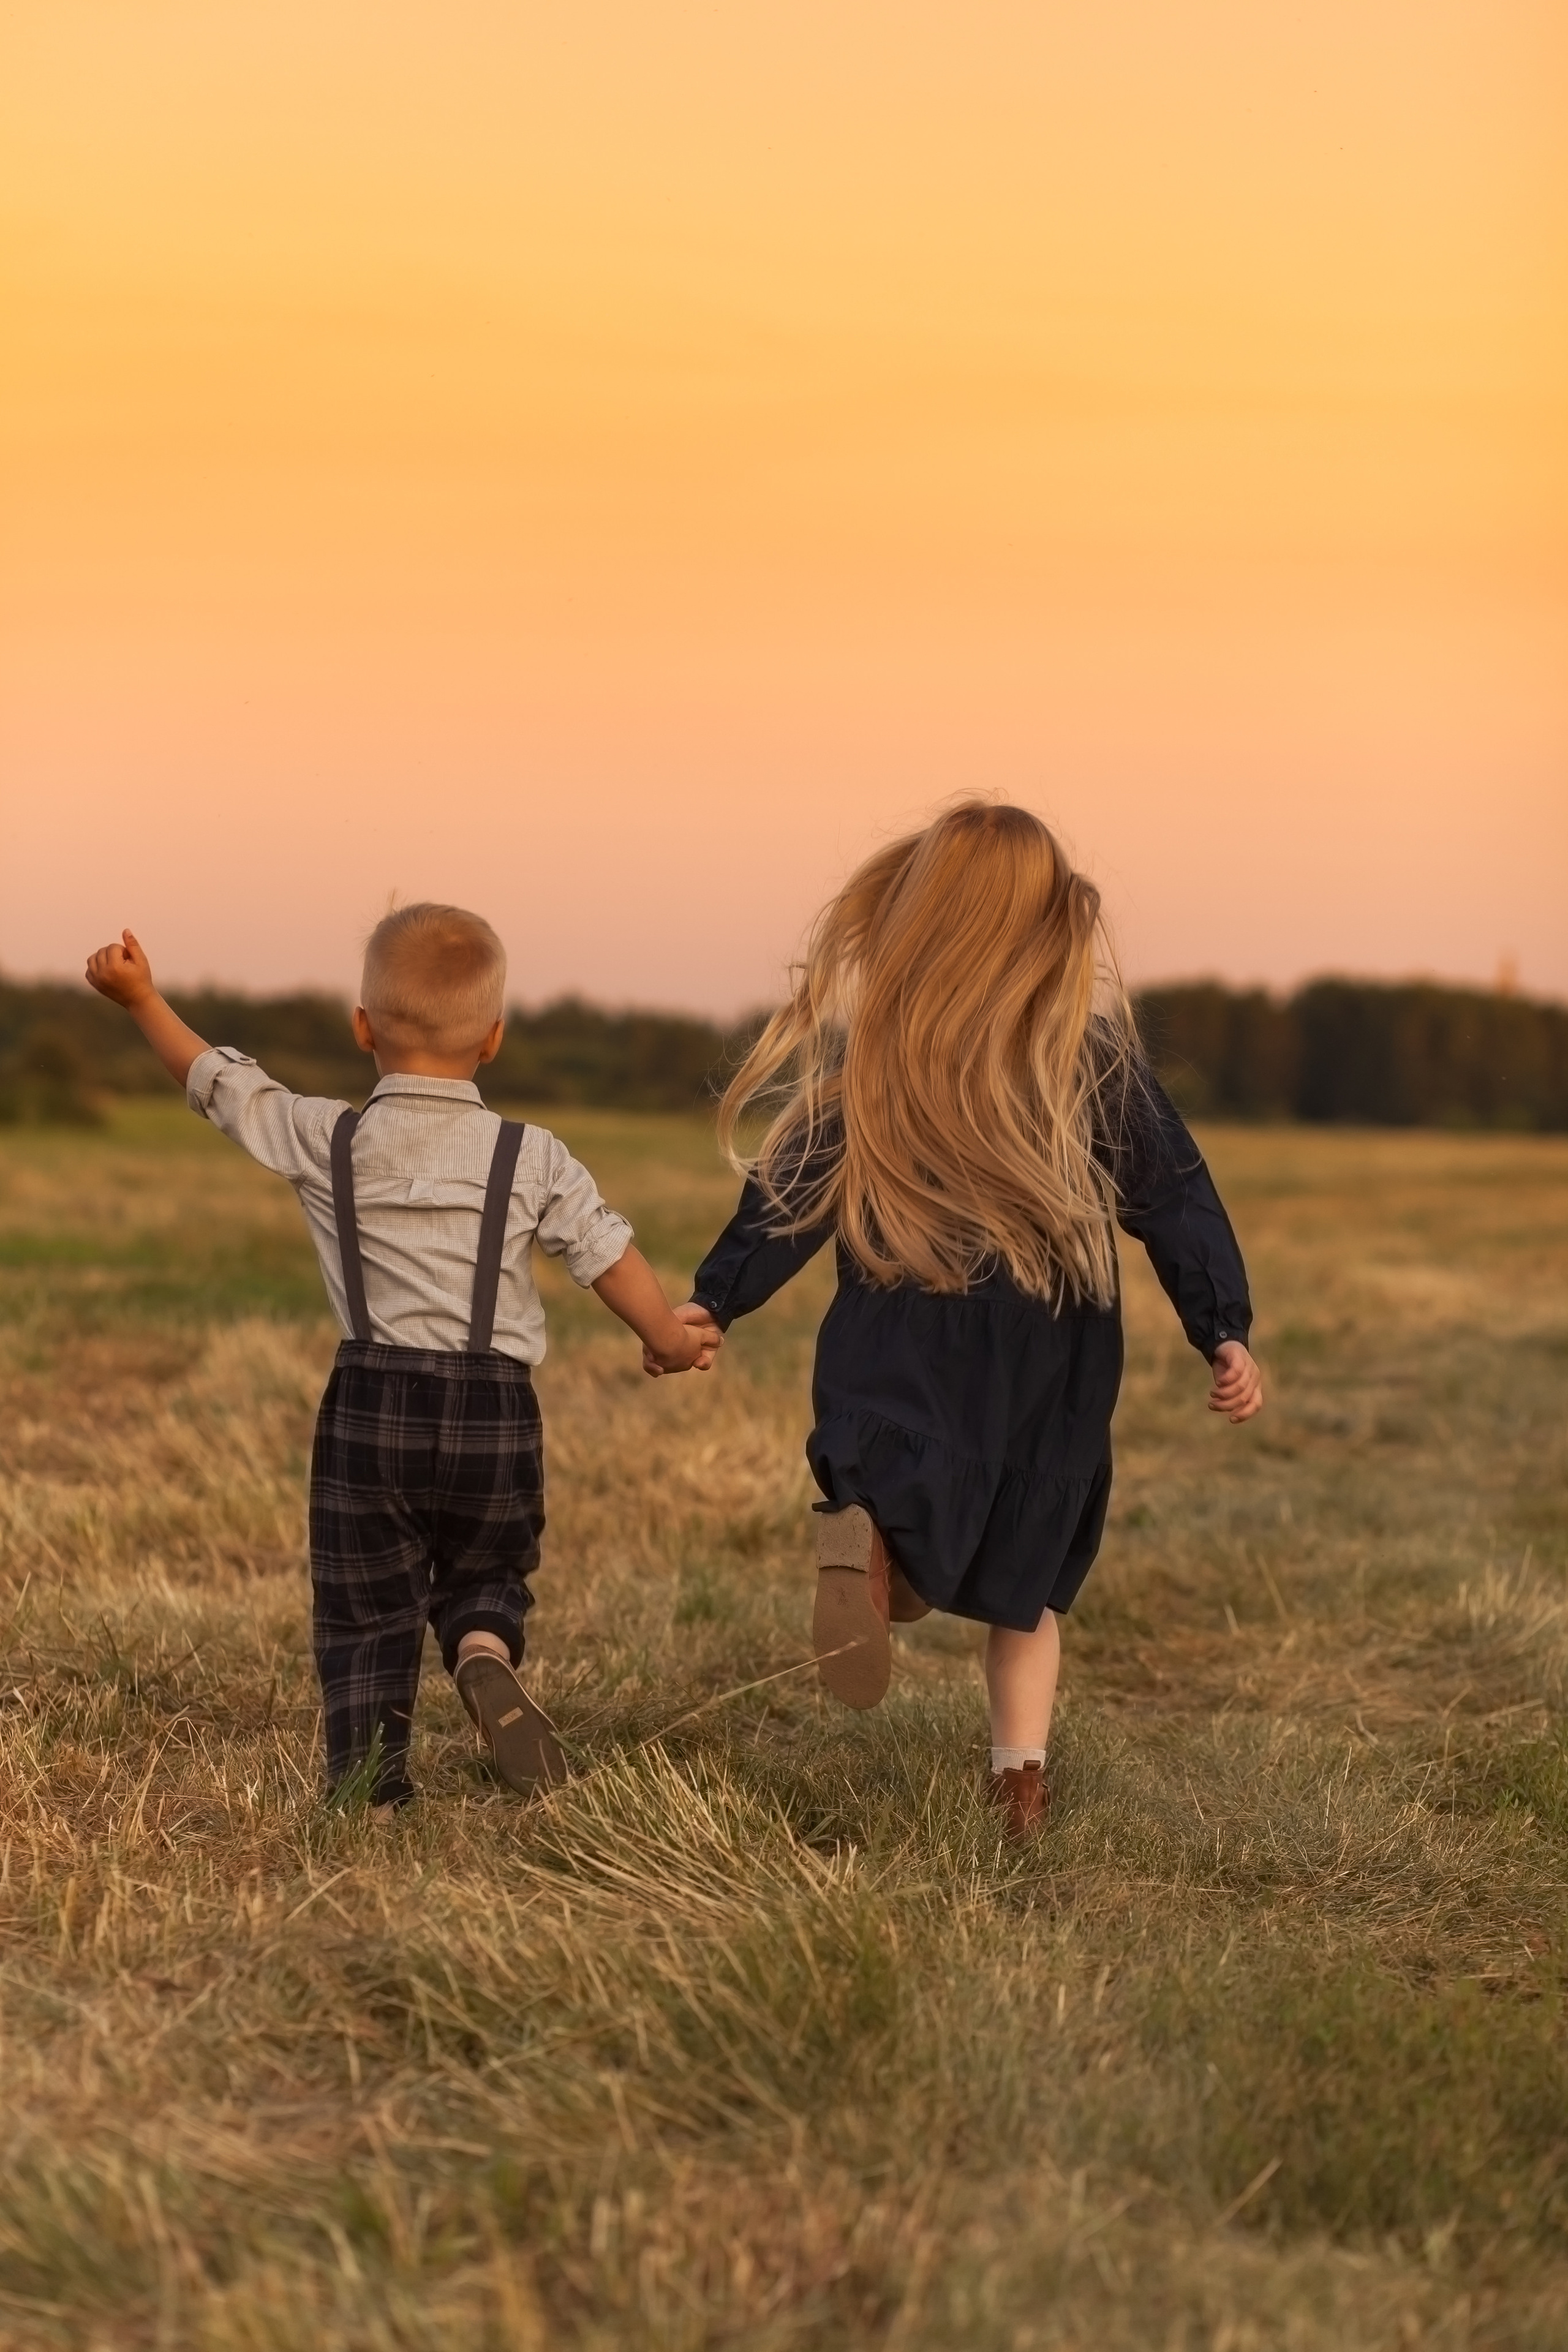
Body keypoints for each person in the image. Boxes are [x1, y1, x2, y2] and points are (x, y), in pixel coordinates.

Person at [663, 802, 1262, 1838]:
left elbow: (788, 1196)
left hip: (901, 1335)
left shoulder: (885, 1058)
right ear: (1044, 925)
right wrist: (1224, 1327)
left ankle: (879, 1552)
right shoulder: (1092, 1060)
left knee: (892, 1480)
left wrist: (716, 1296)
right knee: (1026, 1594)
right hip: (1049, 1361)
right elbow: (1175, 1199)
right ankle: (1017, 1784)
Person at [86, 907, 722, 1809]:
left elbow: (225, 1088)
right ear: (494, 1038)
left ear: (362, 1027)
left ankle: (369, 1788)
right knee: (489, 1568)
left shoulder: (329, 1137)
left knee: (363, 1607)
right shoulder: (530, 1156)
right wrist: (666, 1337)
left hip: (369, 1404)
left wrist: (142, 999)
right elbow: (604, 1252)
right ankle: (482, 1648)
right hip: (495, 1410)